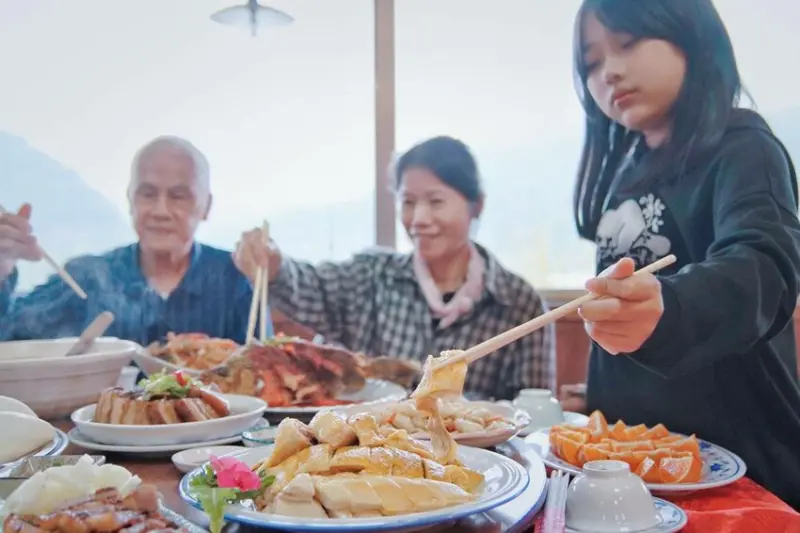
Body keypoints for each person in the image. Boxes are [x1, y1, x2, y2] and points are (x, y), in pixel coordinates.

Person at [570, 0, 800, 507]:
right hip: (636, 465)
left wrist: (669, 309)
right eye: (591, 61)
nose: (609, 69)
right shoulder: (627, 168)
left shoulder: (744, 147)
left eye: (628, 43)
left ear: (692, 38)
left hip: (736, 465)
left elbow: (765, 263)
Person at [234, 136, 555, 400]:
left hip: (481, 464)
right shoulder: (374, 275)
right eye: (408, 202)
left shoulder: (518, 303)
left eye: (436, 201)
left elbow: (533, 413)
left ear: (476, 205)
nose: (418, 219)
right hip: (374, 457)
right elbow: (310, 286)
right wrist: (273, 265)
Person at [0, 136, 273, 344]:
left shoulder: (236, 279)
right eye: (148, 193)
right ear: (130, 198)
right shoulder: (85, 278)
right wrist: (3, 267)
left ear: (206, 206)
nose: (160, 210)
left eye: (178, 196)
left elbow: (265, 369)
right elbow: (9, 336)